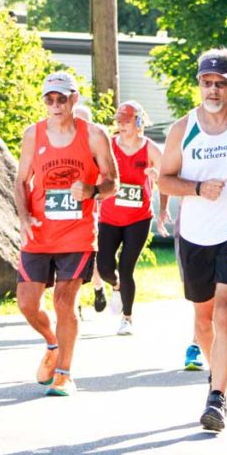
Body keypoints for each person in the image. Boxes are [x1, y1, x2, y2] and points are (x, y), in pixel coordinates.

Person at [159, 47, 227, 432]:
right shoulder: (182, 129)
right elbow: (164, 179)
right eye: (207, 83)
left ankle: (217, 398)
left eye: (221, 83)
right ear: (199, 85)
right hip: (195, 233)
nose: (213, 90)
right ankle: (216, 373)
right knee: (203, 320)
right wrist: (198, 187)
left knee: (225, 311)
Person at [13, 71, 118, 396]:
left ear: (74, 99)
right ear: (44, 101)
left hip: (77, 233)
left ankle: (64, 373)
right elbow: (20, 181)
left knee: (63, 301)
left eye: (62, 98)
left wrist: (92, 190)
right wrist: (24, 216)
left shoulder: (94, 135)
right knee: (27, 304)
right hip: (40, 233)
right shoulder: (34, 134)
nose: (56, 105)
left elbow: (112, 183)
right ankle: (52, 343)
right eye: (50, 99)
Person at [97, 101, 168, 335]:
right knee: (105, 267)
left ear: (138, 123)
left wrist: (161, 206)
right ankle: (115, 286)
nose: (122, 126)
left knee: (127, 267)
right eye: (119, 121)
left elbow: (166, 178)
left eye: (126, 121)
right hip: (109, 216)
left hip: (138, 218)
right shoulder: (110, 146)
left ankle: (127, 317)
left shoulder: (150, 148)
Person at [72, 102, 108, 315]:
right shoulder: (57, 142)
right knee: (66, 261)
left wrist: (96, 191)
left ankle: (98, 287)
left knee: (89, 258)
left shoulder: (96, 146)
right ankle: (73, 306)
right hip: (62, 215)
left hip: (89, 211)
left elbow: (109, 180)